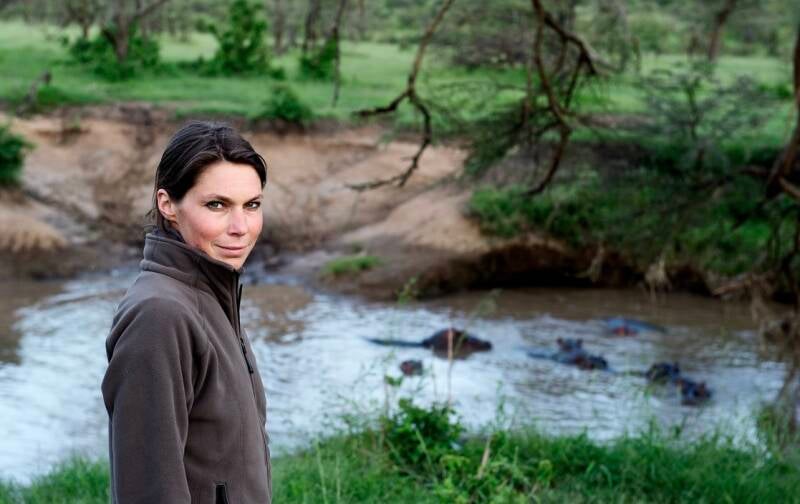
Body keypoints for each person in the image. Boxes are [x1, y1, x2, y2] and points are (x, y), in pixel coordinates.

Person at [101, 121, 271, 503]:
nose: (240, 227)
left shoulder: (215, 296)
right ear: (168, 205)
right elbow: (147, 491)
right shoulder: (159, 315)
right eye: (217, 205)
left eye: (252, 205)